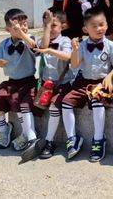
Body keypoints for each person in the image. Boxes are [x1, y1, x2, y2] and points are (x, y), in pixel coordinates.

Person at [60, 7, 113, 162]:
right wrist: (75, 50)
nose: (99, 28)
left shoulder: (112, 46)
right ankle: (72, 138)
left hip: (102, 83)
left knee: (97, 101)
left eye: (101, 24)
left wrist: (110, 76)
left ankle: (98, 139)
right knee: (66, 102)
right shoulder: (82, 45)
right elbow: (75, 65)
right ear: (85, 29)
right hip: (83, 82)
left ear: (107, 25)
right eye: (94, 26)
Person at [0, 8, 40, 161]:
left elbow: (34, 47)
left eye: (25, 24)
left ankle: (27, 135)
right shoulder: (3, 45)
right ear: (7, 29)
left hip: (28, 81)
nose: (22, 27)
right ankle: (3, 129)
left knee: (19, 102)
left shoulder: (29, 39)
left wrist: (21, 33)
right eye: (17, 26)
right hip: (11, 82)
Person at [34, 9, 74, 160]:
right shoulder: (43, 40)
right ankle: (30, 137)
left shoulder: (65, 41)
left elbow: (68, 56)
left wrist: (50, 50)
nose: (50, 29)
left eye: (53, 25)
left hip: (63, 83)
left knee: (53, 107)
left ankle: (49, 141)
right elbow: (43, 47)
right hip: (46, 85)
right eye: (46, 25)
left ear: (63, 26)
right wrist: (47, 26)